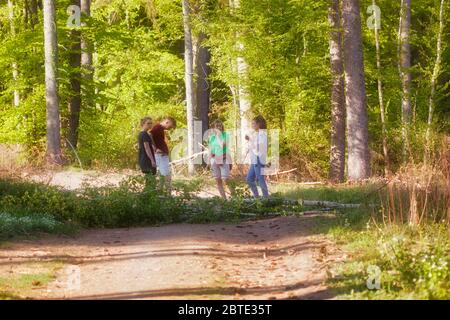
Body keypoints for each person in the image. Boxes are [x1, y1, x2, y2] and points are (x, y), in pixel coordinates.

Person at [150, 117, 177, 193]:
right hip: (160, 155)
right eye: (170, 126)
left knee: (165, 173)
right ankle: (165, 190)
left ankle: (163, 190)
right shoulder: (158, 127)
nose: (170, 128)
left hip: (163, 154)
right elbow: (150, 135)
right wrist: (155, 149)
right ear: (167, 122)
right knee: (165, 173)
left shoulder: (161, 129)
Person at [245, 115, 270, 198]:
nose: (252, 125)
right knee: (249, 179)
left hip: (259, 158)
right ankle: (257, 198)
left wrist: (250, 140)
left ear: (259, 124)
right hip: (254, 159)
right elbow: (252, 146)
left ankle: (266, 198)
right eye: (252, 124)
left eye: (254, 124)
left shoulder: (263, 134)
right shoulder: (257, 134)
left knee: (260, 179)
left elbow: (260, 147)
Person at [208, 120, 232, 199]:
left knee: (225, 179)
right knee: (218, 180)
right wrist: (208, 160)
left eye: (220, 126)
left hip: (224, 159)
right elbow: (210, 149)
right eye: (217, 126)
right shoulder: (212, 137)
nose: (219, 128)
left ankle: (234, 196)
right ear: (214, 128)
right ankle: (223, 198)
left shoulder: (226, 135)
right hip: (214, 159)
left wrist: (218, 136)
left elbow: (222, 145)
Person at [138, 117, 157, 187]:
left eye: (151, 123)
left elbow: (152, 146)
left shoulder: (145, 134)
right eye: (148, 123)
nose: (150, 125)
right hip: (146, 159)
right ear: (143, 124)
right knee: (151, 180)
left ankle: (148, 196)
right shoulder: (144, 134)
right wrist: (152, 160)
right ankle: (148, 196)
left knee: (150, 180)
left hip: (144, 159)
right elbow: (147, 148)